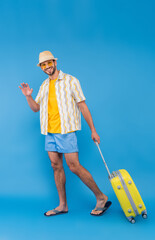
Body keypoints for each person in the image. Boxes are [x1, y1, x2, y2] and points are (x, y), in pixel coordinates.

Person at [19, 50, 112, 216]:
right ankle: (62, 205)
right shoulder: (44, 85)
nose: (47, 67)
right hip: (49, 132)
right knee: (56, 166)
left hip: (66, 131)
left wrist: (93, 130)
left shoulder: (71, 80)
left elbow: (82, 105)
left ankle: (101, 197)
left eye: (49, 63)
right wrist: (28, 96)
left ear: (55, 62)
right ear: (41, 67)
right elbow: (36, 108)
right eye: (43, 65)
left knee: (74, 166)